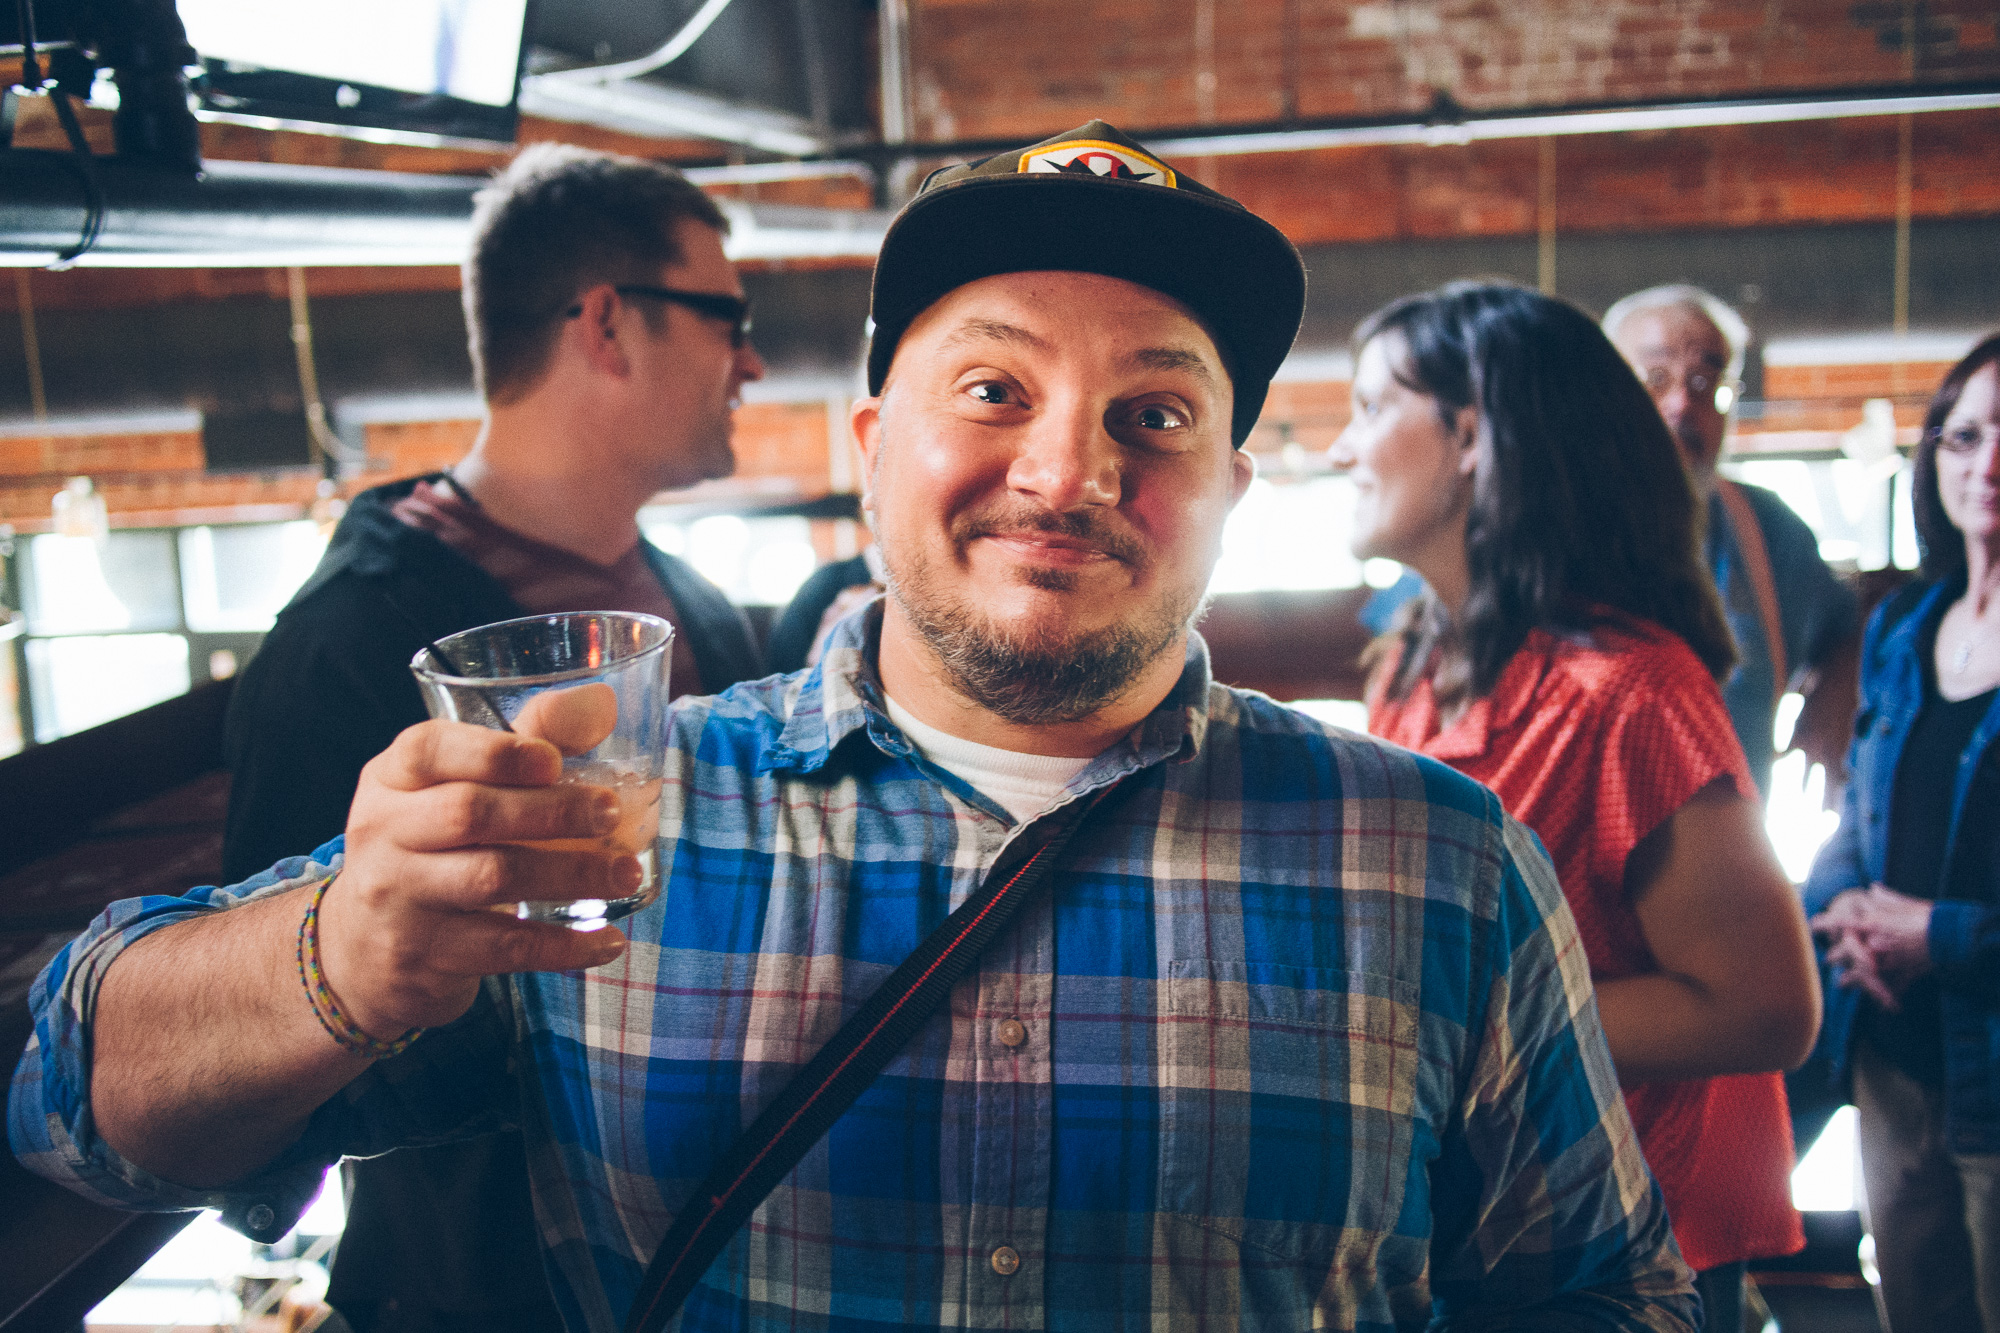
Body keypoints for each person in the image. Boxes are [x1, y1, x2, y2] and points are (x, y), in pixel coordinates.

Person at [13, 122, 1699, 1331]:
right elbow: (76, 1092)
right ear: (875, 438)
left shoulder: (1440, 857)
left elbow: (1598, 1286)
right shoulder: (621, 817)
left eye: (1156, 411)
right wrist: (340, 948)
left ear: (1232, 492)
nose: (1068, 468)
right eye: (994, 388)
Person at [218, 144, 768, 1332]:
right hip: (491, 1290)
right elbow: (270, 1062)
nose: (754, 359)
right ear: (610, 326)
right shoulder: (349, 643)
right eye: (728, 316)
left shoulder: (697, 606)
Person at [1342, 282, 1820, 1332]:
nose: (1343, 447)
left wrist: (1456, 1026)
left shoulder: (1628, 691)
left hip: (1627, 1242)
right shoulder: (1414, 664)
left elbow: (1764, 1005)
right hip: (1495, 1219)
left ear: (1471, 437)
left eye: (1371, 408)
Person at [1804, 333, 2000, 1333]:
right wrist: (1840, 908)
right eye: (1963, 436)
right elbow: (1858, 805)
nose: (1986, 465)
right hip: (1888, 1051)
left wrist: (1940, 934)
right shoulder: (1905, 623)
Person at [1602, 284, 1858, 797]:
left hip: (1735, 859)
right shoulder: (1544, 528)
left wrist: (1828, 707)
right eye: (1655, 378)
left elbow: (1849, 629)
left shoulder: (1767, 530)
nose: (1682, 403)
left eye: (1705, 383)